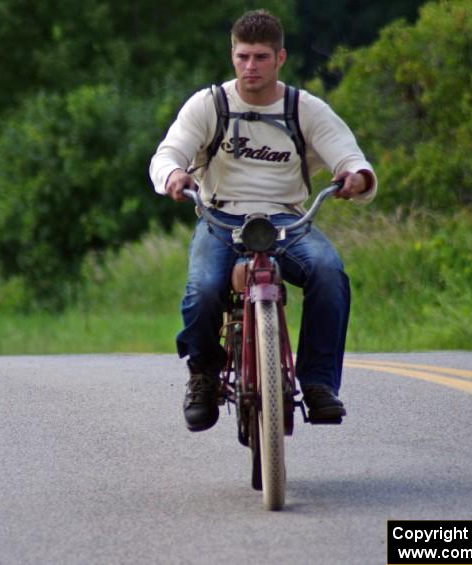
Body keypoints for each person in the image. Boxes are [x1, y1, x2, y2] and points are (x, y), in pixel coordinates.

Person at [148, 9, 377, 432]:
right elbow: (167, 154)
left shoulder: (303, 108)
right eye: (242, 57)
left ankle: (318, 385)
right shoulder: (210, 104)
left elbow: (350, 157)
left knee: (329, 272)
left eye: (260, 57)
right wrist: (174, 175)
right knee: (202, 289)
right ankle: (203, 377)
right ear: (232, 56)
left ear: (281, 58)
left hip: (287, 222)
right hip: (219, 218)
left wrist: (355, 178)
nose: (250, 67)